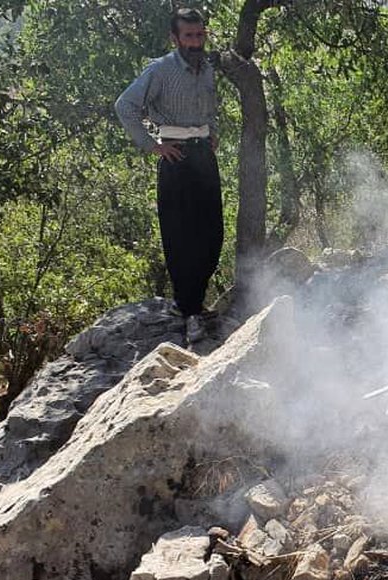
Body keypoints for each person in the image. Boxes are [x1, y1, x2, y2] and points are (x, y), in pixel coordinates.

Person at [115, 7, 223, 343]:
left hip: (203, 155)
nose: (195, 42)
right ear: (175, 38)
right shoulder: (160, 70)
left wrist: (212, 131)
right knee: (181, 236)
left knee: (212, 233)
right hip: (175, 157)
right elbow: (125, 106)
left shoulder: (206, 70)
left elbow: (210, 106)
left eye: (199, 35)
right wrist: (152, 146)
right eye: (188, 36)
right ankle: (189, 311)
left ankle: (194, 302)